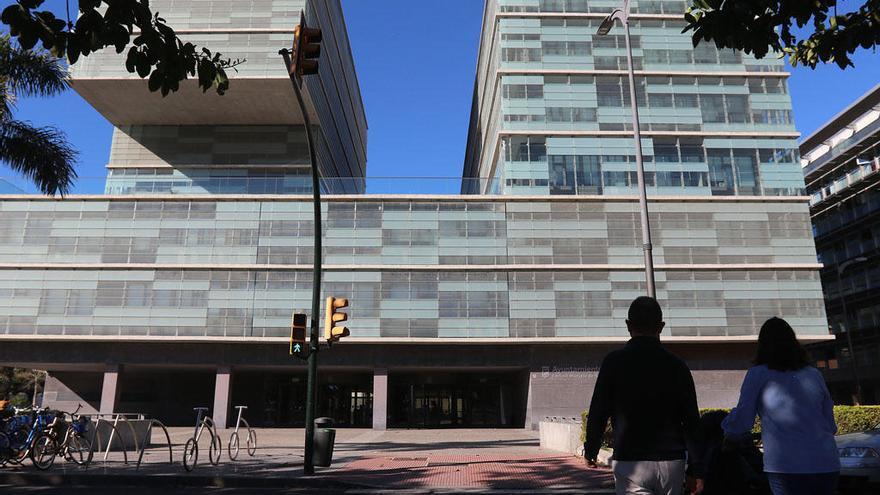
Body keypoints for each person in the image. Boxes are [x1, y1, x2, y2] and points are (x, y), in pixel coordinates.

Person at [585, 296, 704, 495]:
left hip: (630, 460)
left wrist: (591, 450)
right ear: (661, 326)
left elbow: (598, 410)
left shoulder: (614, 362)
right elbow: (691, 420)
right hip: (672, 460)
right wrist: (696, 467)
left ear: (628, 325)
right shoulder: (677, 365)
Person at [721, 317, 839, 495]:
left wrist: (727, 431)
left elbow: (743, 419)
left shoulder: (757, 374)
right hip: (825, 462)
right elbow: (830, 424)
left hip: (786, 465)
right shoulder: (814, 374)